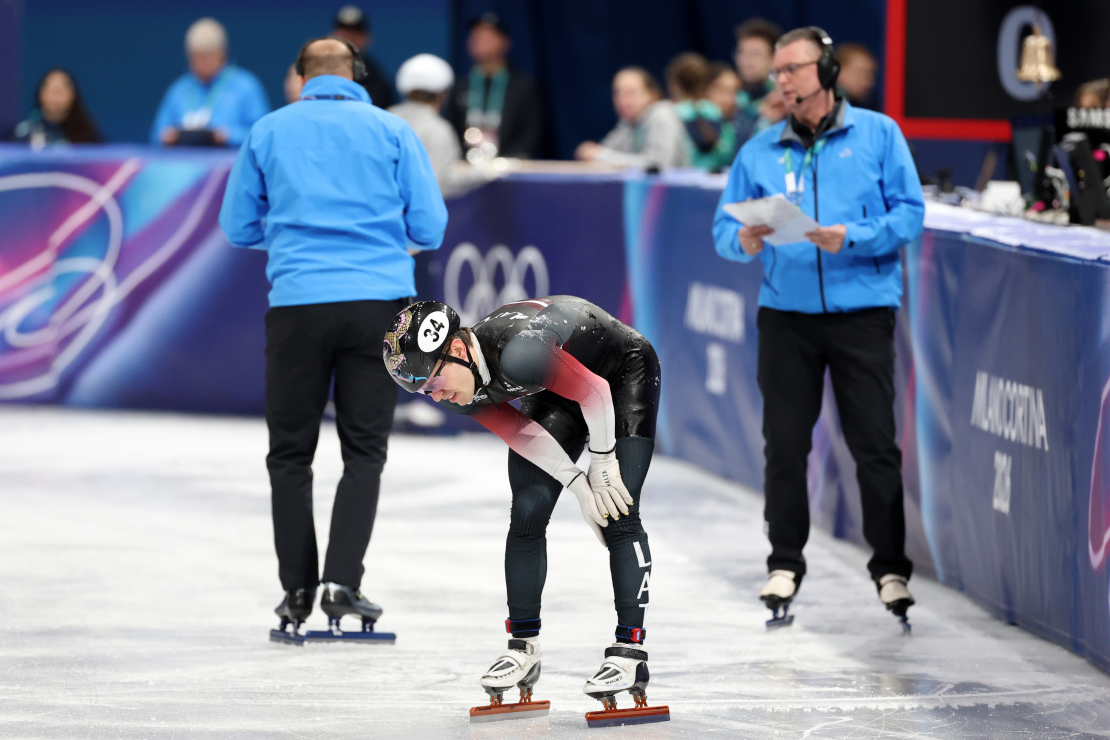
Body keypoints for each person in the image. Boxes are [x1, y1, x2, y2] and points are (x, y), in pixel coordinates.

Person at [218, 36, 448, 639]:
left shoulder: (268, 130)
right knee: (364, 450)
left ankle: (296, 590)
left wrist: (296, 240)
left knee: (290, 452)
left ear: (300, 77)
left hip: (297, 304)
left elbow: (237, 226)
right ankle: (342, 582)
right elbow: (430, 224)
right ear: (357, 74)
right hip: (378, 304)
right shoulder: (393, 131)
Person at [711, 27, 925, 630]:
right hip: (786, 319)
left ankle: (890, 568)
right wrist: (743, 239)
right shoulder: (758, 150)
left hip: (863, 313)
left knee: (874, 447)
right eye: (776, 72)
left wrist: (851, 237)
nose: (782, 81)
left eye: (793, 69)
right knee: (785, 446)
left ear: (825, 71)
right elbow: (723, 234)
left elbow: (910, 214)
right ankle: (784, 562)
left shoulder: (879, 134)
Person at [383, 296, 665, 718]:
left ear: (456, 350)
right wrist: (577, 484)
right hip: (561, 385)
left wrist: (602, 463)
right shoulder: (463, 380)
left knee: (620, 513)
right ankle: (523, 648)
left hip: (620, 375)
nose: (437, 398)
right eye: (424, 392)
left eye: (434, 383)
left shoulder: (518, 355)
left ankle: (630, 651)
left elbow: (597, 392)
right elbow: (518, 431)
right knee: (528, 514)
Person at [151, 17, 270, 147]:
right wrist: (169, 137)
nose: (201, 63)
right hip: (183, 164)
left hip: (231, 164)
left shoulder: (246, 86)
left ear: (222, 54)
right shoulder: (179, 89)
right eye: (196, 57)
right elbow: (157, 134)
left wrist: (228, 136)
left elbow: (262, 135)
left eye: (207, 56)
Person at [389, 53, 494, 198]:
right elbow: (439, 184)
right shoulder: (437, 130)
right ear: (443, 93)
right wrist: (482, 171)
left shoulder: (384, 120)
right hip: (411, 216)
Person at [446, 13, 544, 160]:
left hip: (509, 170)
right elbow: (451, 128)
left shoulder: (523, 87)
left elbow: (531, 132)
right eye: (475, 36)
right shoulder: (461, 86)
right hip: (465, 170)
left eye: (487, 36)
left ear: (504, 42)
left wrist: (504, 162)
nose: (478, 41)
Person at [575, 67, 690, 170]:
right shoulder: (628, 123)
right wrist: (594, 154)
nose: (623, 100)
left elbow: (656, 167)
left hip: (674, 192)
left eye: (630, 92)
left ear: (650, 94)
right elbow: (606, 150)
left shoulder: (662, 116)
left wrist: (600, 155)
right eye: (617, 93)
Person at [666, 53, 735, 172]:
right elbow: (728, 151)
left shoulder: (672, 113)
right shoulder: (714, 110)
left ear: (675, 85)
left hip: (684, 180)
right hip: (716, 178)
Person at [9, 68, 102, 147]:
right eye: (51, 90)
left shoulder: (89, 137)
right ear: (41, 95)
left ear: (73, 96)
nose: (55, 97)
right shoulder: (20, 134)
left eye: (60, 91)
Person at [330, 5, 394, 108]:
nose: (349, 37)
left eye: (355, 32)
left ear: (367, 38)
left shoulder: (375, 76)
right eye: (344, 32)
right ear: (334, 34)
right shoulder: (319, 68)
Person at [733, 18, 781, 147]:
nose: (745, 61)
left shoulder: (784, 102)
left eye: (755, 54)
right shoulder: (735, 100)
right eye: (741, 52)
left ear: (774, 58)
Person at [836, 43, 878, 111]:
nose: (869, 83)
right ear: (839, 70)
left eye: (870, 75)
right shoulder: (831, 106)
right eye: (861, 73)